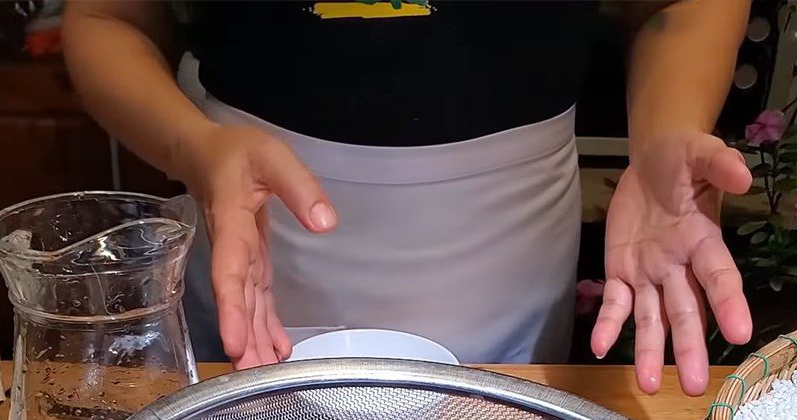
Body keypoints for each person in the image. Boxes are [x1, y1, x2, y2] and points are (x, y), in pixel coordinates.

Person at [62, 0, 753, 396]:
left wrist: (668, 126)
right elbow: (108, 18)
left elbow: (676, 7)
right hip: (253, 230)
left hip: (508, 243)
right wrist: (194, 149)